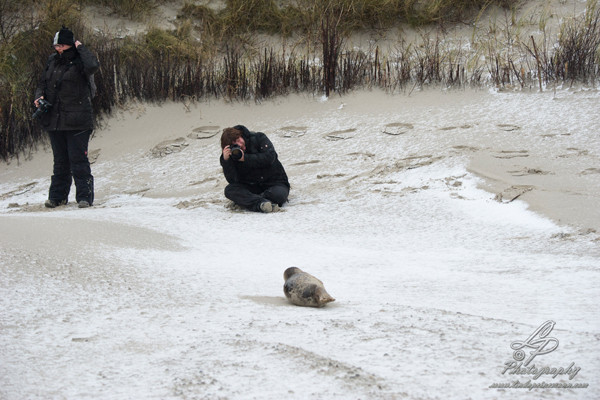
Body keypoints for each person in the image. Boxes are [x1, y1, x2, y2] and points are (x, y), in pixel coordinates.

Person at [34, 26, 99, 208]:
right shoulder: (52, 61)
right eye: (56, 45)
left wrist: (81, 47)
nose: (58, 49)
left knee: (78, 160)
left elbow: (93, 65)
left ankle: (85, 198)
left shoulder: (81, 62)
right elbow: (42, 83)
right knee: (60, 162)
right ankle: (57, 197)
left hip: (78, 121)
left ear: (70, 45)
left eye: (61, 45)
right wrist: (38, 97)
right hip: (55, 120)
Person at [220, 125, 290, 213]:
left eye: (239, 140)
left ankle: (252, 202)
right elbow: (233, 180)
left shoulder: (259, 138)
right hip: (252, 186)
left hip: (275, 182)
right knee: (229, 190)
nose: (240, 144)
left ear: (241, 135)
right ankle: (262, 203)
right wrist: (226, 162)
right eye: (235, 145)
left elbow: (270, 157)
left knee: (279, 195)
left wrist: (245, 158)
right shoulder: (232, 156)